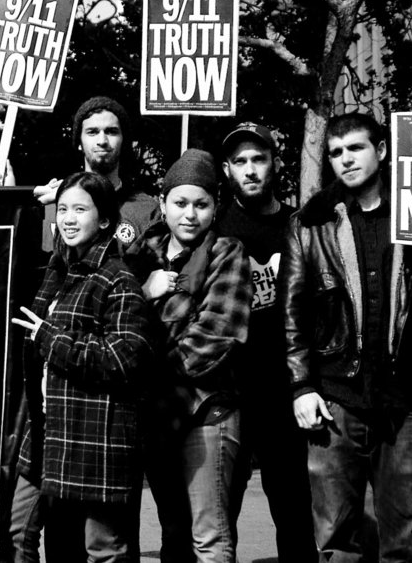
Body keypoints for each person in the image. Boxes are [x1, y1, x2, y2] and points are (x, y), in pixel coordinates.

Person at [281, 111, 412, 562]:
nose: (345, 159)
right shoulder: (310, 221)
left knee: (402, 542)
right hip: (337, 399)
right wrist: (301, 386)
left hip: (407, 401)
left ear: (380, 151)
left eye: (356, 148)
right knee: (337, 543)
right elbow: (294, 311)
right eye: (336, 152)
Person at [10, 171, 159, 562]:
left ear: (105, 220)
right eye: (62, 209)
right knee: (15, 531)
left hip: (98, 432)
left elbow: (124, 359)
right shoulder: (58, 272)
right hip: (47, 428)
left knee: (104, 550)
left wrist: (50, 338)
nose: (69, 219)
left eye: (80, 209)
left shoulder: (118, 279)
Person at [126, 148, 252, 563]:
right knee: (173, 533)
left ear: (216, 207)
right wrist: (146, 293)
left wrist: (144, 363)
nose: (190, 214)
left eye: (201, 204)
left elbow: (216, 334)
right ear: (162, 204)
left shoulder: (227, 253)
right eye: (180, 203)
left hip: (207, 414)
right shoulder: (141, 257)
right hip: (157, 418)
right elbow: (117, 319)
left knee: (210, 537)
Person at [212, 123, 317, 562]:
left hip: (285, 391)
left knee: (294, 511)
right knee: (219, 515)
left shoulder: (303, 224)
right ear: (227, 169)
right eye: (240, 161)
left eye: (259, 159)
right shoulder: (213, 225)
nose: (251, 170)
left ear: (275, 163)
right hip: (229, 390)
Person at [0, 95, 160, 251]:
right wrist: (7, 200)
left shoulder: (147, 210)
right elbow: (12, 257)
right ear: (79, 142)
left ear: (124, 141)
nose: (102, 141)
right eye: (92, 132)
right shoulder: (51, 205)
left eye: (111, 131)